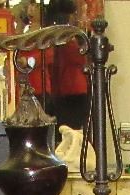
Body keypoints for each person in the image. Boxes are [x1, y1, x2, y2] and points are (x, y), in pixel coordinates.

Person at [26, 0, 89, 129]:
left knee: (66, 129)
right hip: (66, 90)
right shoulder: (65, 37)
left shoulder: (59, 37)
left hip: (64, 90)